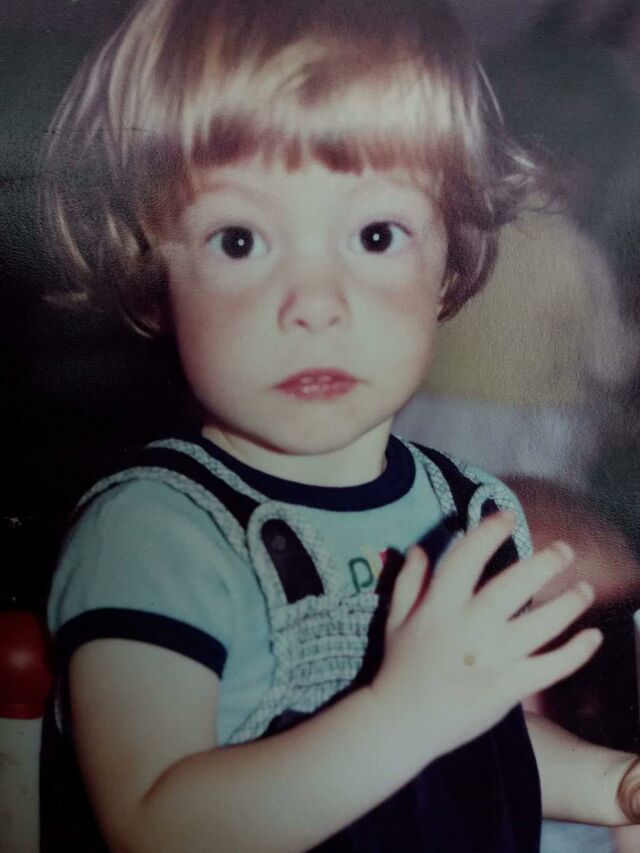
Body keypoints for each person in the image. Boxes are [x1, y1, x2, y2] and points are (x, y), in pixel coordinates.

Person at [39, 1, 640, 851]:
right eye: (240, 240)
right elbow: (155, 824)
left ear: (450, 259)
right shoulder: (153, 533)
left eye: (376, 233)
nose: (315, 304)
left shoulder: (468, 509)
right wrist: (406, 711)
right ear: (149, 267)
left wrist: (615, 784)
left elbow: (479, 746)